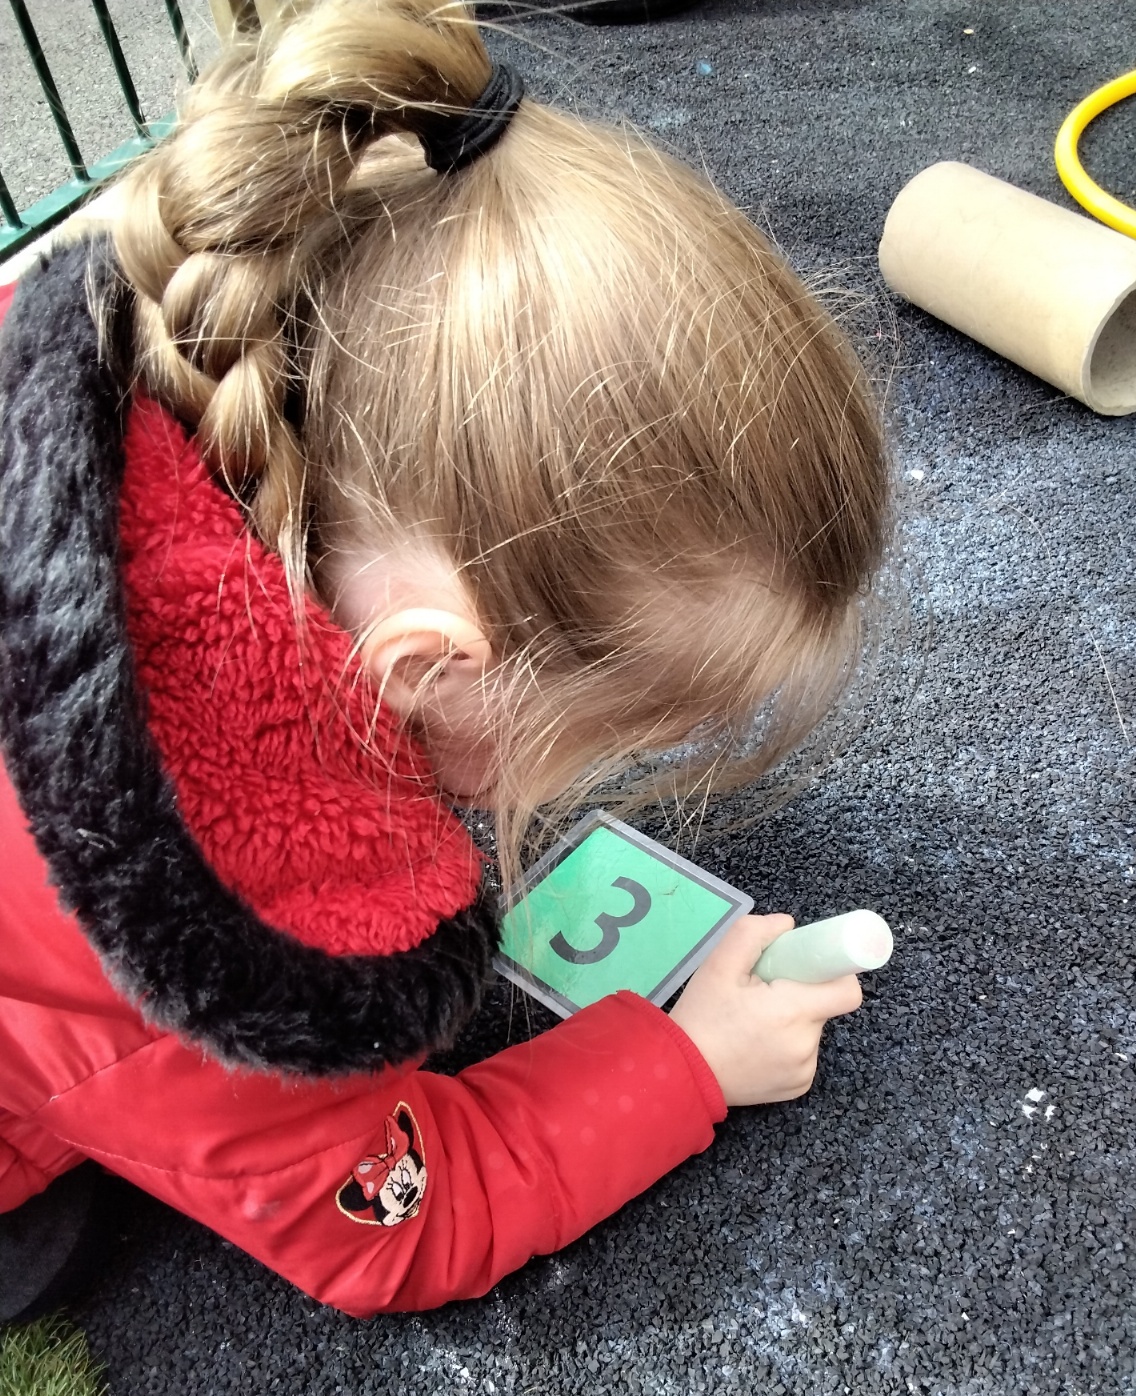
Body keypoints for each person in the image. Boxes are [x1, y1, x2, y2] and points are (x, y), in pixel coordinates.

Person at [0, 0, 885, 1320]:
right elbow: (395, 1218)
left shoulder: (115, 348)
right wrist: (689, 1062)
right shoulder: (204, 914)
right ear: (423, 664)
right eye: (613, 739)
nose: (602, 774)